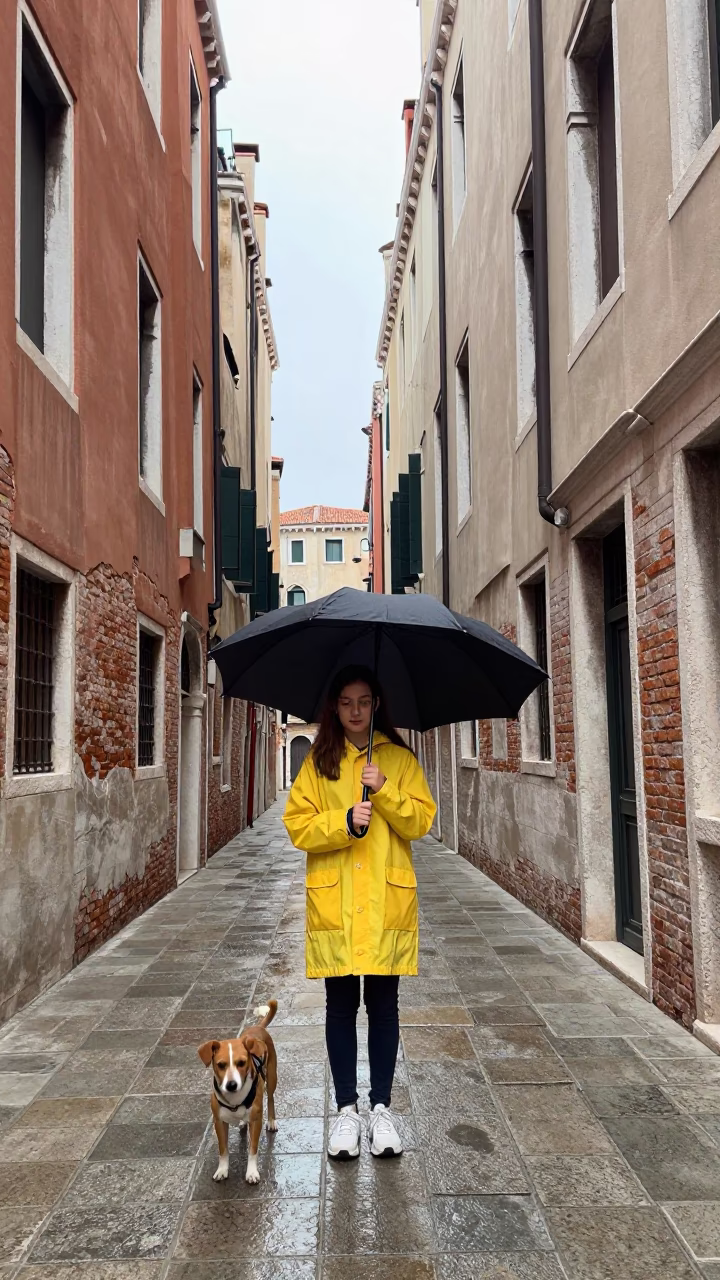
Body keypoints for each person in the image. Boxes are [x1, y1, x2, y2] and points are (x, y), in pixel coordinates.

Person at [283, 665, 436, 1160]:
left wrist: (385, 789)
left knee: (385, 1006)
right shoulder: (319, 763)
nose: (355, 711)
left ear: (376, 705)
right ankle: (346, 1110)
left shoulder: (399, 759)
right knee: (340, 1006)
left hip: (387, 901)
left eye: (364, 701)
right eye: (346, 702)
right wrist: (344, 820)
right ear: (334, 707)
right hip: (337, 904)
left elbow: (421, 821)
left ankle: (382, 1109)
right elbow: (297, 826)